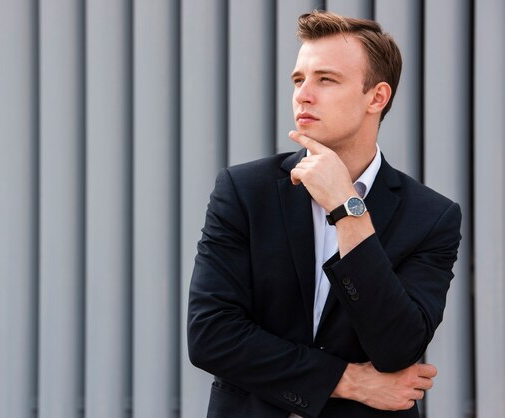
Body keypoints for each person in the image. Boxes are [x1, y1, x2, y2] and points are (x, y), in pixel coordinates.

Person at [187, 10, 461, 418]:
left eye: (325, 79)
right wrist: (347, 380)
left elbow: (397, 347)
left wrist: (347, 209)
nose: (303, 94)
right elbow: (211, 335)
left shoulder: (432, 216)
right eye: (299, 79)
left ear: (377, 97)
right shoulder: (245, 191)